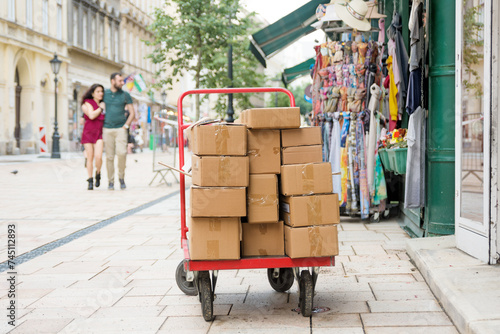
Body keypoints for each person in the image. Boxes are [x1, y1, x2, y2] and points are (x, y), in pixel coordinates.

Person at [103, 73, 135, 190]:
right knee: (109, 157)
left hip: (120, 128)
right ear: (112, 81)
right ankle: (110, 181)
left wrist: (126, 126)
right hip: (107, 128)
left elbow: (132, 112)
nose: (123, 83)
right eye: (120, 81)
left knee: (122, 153)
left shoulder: (125, 95)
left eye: (123, 81)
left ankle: (121, 177)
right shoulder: (105, 94)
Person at [81, 84, 105, 190]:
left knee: (98, 156)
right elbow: (91, 115)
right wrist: (100, 108)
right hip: (88, 133)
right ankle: (90, 180)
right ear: (92, 93)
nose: (100, 93)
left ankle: (98, 173)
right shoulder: (88, 103)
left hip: (99, 133)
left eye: (102, 91)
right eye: (98, 91)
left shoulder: (104, 104)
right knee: (89, 157)